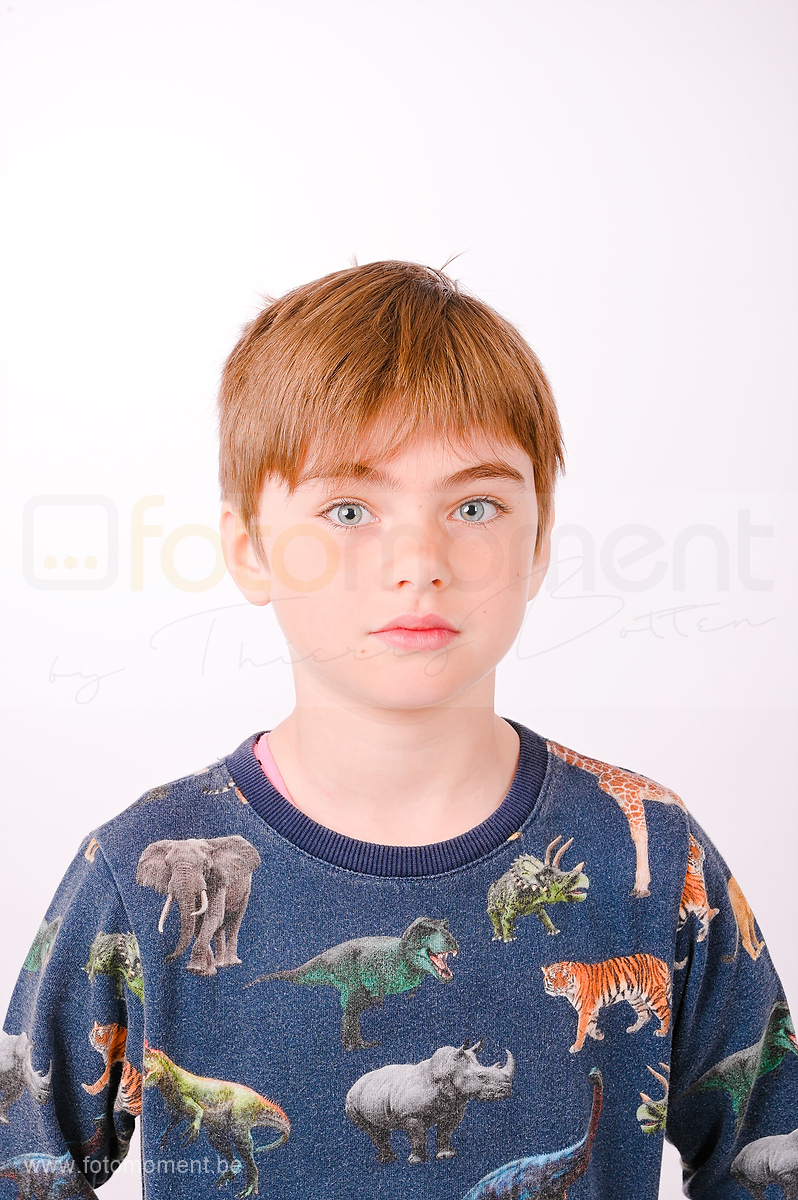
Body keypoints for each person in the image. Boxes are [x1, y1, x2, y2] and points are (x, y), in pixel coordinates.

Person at [1, 261, 795, 1200]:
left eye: (474, 506)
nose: (419, 560)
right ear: (252, 547)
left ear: (540, 542)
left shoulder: (652, 853)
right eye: (349, 510)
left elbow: (769, 1160)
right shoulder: (133, 867)